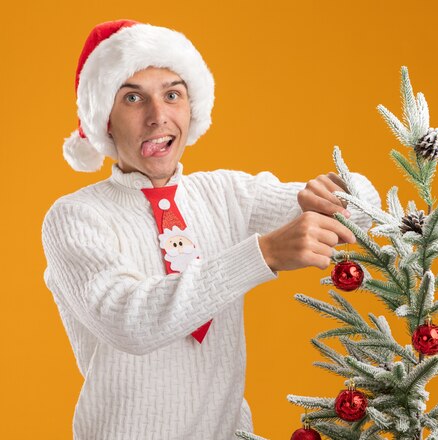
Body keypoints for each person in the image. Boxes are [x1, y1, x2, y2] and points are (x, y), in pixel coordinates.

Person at [41, 20, 380, 439]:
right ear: (104, 119)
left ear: (191, 107)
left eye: (172, 94)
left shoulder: (226, 193)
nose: (158, 116)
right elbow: (130, 322)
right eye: (133, 97)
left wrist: (341, 191)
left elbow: (363, 215)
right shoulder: (74, 217)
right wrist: (264, 254)